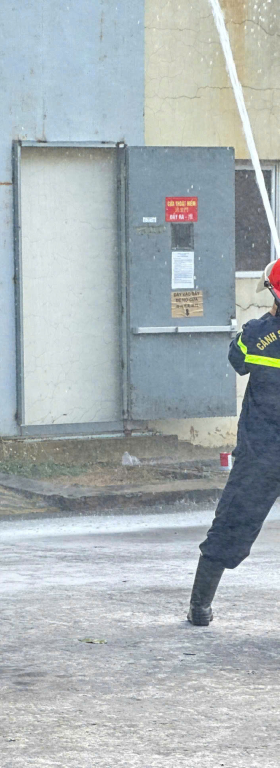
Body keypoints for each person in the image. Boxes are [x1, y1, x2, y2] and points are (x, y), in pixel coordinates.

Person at [188, 257, 280, 625]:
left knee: (232, 525)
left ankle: (200, 607)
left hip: (262, 455)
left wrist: (266, 325)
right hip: (263, 453)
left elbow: (237, 358)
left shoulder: (257, 335)